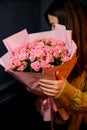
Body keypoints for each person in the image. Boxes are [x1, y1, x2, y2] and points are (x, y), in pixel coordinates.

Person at [38, 0, 87, 130]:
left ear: (70, 25)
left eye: (54, 26)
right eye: (51, 26)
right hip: (51, 119)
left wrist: (65, 91)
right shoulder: (52, 50)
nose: (51, 32)